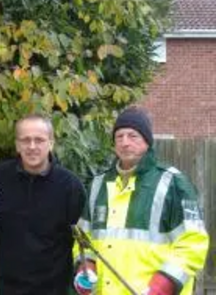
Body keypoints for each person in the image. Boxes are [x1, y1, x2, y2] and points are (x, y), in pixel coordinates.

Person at [74, 107, 209, 295]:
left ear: (147, 141)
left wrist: (160, 288)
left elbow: (192, 246)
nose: (125, 142)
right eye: (119, 137)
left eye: (132, 136)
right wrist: (85, 269)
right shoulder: (98, 185)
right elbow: (84, 238)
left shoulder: (174, 184)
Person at [0, 114, 86, 295]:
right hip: (6, 288)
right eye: (25, 140)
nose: (32, 146)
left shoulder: (70, 186)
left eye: (39, 140)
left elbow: (82, 239)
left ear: (51, 143)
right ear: (17, 145)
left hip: (53, 289)